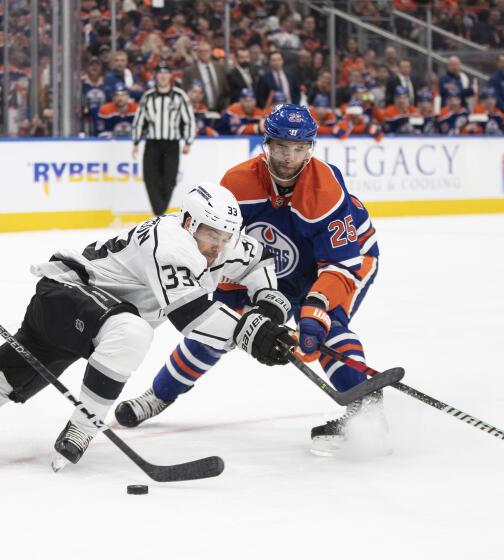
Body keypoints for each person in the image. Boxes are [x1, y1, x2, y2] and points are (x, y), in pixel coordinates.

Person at [0, 185, 294, 470]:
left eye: (224, 237)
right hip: (66, 296)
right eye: (212, 235)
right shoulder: (174, 242)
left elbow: (255, 261)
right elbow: (192, 319)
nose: (218, 247)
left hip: (91, 318)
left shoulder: (220, 242)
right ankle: (84, 426)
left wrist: (269, 302)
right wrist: (250, 332)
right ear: (191, 222)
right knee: (135, 331)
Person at [116, 105, 387, 458]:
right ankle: (159, 394)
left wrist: (316, 303)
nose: (289, 157)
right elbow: (224, 245)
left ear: (310, 148)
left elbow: (340, 264)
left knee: (323, 326)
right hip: (269, 267)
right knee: (221, 325)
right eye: (281, 147)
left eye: (299, 148)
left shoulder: (325, 188)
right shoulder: (239, 182)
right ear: (266, 144)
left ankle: (366, 413)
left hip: (343, 262)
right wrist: (239, 305)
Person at [131, 61, 195, 216]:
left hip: (171, 144)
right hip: (152, 143)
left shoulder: (179, 96)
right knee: (150, 179)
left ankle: (160, 213)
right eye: (160, 73)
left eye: (166, 73)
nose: (163, 76)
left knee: (169, 180)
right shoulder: (148, 96)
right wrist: (136, 142)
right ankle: (159, 214)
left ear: (170, 76)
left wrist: (188, 141)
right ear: (156, 75)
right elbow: (140, 119)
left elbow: (188, 119)